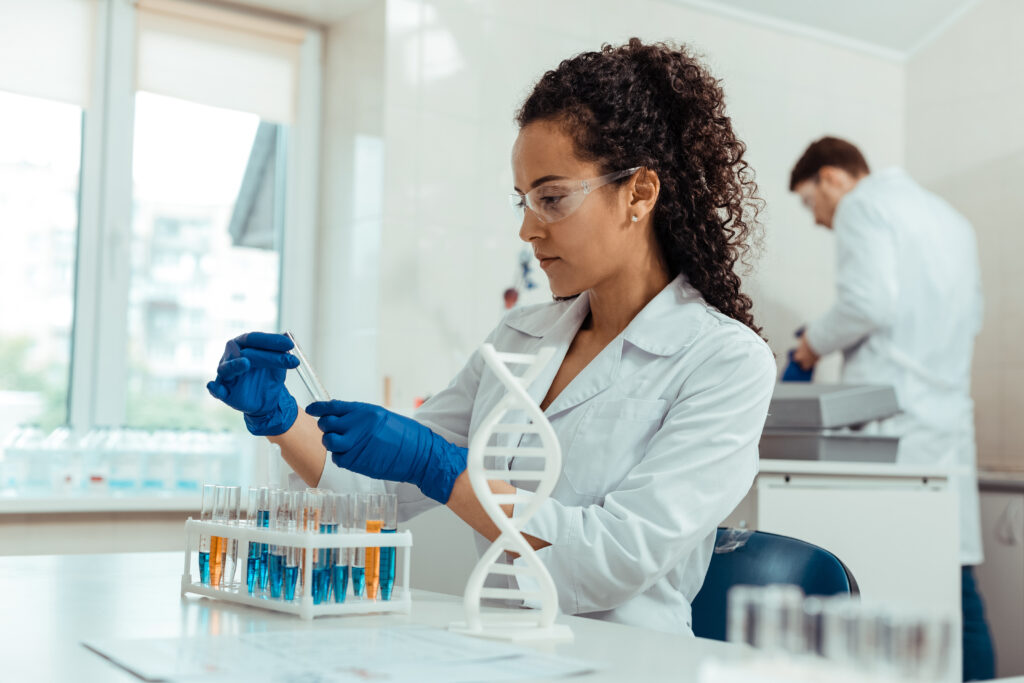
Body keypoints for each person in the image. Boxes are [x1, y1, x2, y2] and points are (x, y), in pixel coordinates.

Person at [207, 38, 775, 636]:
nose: (529, 229)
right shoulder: (521, 334)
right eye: (524, 202)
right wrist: (280, 418)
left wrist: (447, 469)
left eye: (552, 199)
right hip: (496, 646)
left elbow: (612, 559)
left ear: (639, 193)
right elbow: (381, 492)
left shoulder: (726, 361)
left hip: (625, 660)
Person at [789, 136, 994, 681]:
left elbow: (868, 302)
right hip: (945, 419)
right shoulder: (951, 219)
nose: (818, 221)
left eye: (811, 204)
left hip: (892, 426)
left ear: (832, 178)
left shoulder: (863, 204)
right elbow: (970, 316)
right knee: (954, 582)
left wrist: (813, 343)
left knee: (885, 579)